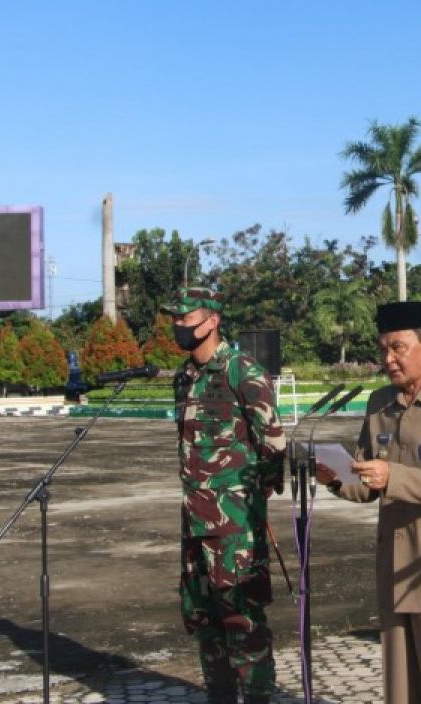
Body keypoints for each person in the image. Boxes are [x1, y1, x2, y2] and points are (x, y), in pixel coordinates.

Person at [317, 301, 421, 703]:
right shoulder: (379, 404)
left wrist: (393, 476)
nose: (388, 359)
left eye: (398, 347)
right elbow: (366, 484)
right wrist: (336, 478)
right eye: (383, 349)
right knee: (402, 692)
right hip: (395, 570)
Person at [162, 286, 286, 704]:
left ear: (212, 320)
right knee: (204, 621)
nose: (179, 325)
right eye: (175, 319)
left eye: (186, 317)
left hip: (235, 526)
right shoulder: (185, 377)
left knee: (243, 622)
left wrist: (251, 502)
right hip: (194, 522)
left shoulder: (242, 371)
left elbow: (273, 445)